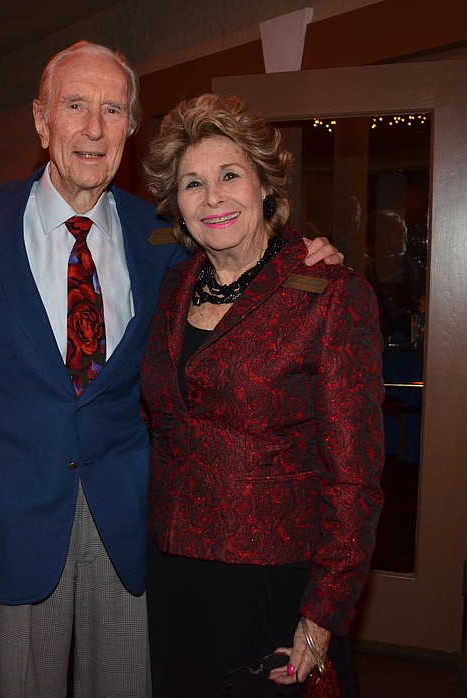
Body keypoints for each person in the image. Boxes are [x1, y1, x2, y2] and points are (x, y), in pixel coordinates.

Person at [0, 42, 343, 698]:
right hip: (18, 523)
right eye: (75, 106)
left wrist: (297, 251)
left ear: (131, 130)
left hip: (129, 525)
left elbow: (236, 241)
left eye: (113, 110)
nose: (93, 127)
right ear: (40, 120)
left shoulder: (161, 236)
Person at [140, 94, 384, 697]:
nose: (213, 196)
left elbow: (356, 476)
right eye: (193, 183)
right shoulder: (175, 284)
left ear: (265, 187)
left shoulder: (328, 295)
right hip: (177, 576)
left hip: (274, 582)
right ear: (178, 205)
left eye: (230, 176)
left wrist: (324, 611)